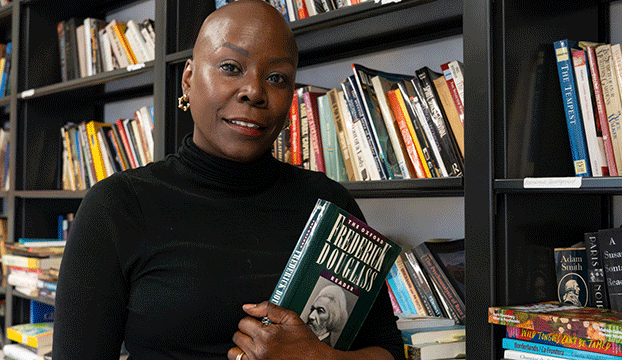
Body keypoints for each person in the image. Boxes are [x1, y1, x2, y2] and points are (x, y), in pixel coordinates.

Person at [52, 1, 405, 359]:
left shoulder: (329, 204)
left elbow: (387, 350)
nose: (254, 90)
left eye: (277, 78)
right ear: (188, 79)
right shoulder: (118, 206)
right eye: (230, 67)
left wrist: (320, 359)